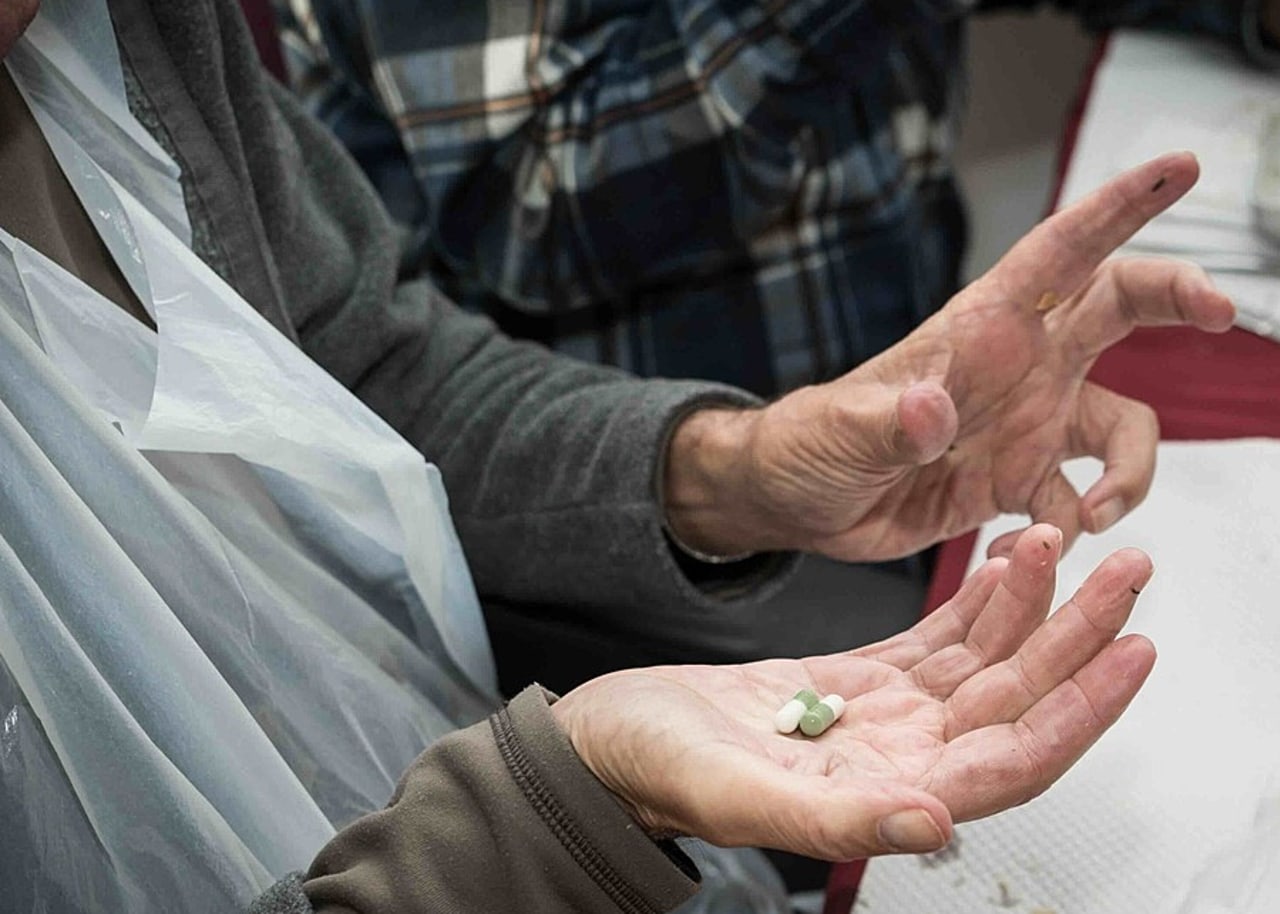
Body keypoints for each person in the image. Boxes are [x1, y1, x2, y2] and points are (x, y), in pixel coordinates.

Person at [0, 2, 1236, 913]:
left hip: (464, 710)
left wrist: (734, 467)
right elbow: (532, 201)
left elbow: (369, 368)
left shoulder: (131, 35)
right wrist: (560, 800)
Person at [272, 0, 1280, 691]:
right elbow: (540, 215)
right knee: (1089, 698)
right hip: (626, 520)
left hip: (920, 413)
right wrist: (751, 473)